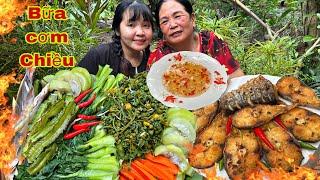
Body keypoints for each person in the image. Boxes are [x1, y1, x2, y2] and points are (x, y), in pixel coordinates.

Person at [147, 0, 244, 79]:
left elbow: (236, 77)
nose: (172, 25)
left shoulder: (210, 41)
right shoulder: (158, 57)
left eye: (177, 16)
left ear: (192, 19)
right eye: (165, 21)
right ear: (160, 28)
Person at [78, 0, 154, 77]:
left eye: (146, 25)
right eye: (131, 25)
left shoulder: (154, 61)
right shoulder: (98, 56)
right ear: (117, 30)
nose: (140, 32)